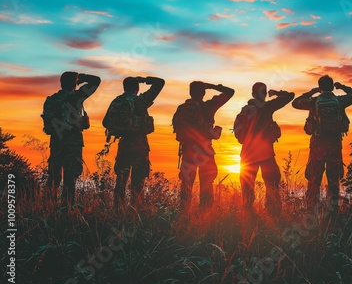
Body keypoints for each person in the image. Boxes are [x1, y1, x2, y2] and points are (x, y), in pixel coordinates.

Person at [292, 75, 352, 210]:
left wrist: (312, 92)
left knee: (314, 179)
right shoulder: (339, 101)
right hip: (334, 144)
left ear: (320, 87)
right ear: (332, 85)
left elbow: (295, 103)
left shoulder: (314, 101)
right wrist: (342, 87)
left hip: (317, 144)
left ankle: (311, 209)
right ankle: (333, 211)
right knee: (333, 180)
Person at [104, 76, 164, 208]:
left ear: (124, 87)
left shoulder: (116, 101)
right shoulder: (140, 100)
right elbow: (160, 83)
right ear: (137, 88)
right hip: (139, 146)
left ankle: (118, 210)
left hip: (124, 146)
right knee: (138, 184)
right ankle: (135, 212)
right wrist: (143, 79)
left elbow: (105, 122)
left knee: (120, 181)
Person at [173, 81, 234, 210]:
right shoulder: (208, 106)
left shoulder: (181, 108)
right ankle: (205, 213)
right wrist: (213, 86)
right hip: (204, 150)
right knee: (206, 181)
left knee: (186, 183)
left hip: (187, 150)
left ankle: (184, 211)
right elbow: (230, 92)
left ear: (190, 92)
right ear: (204, 92)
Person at [43, 71, 101, 206]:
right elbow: (96, 81)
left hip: (56, 141)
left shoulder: (51, 99)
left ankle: (47, 207)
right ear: (74, 83)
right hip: (73, 142)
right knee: (70, 177)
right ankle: (67, 208)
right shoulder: (76, 96)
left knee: (53, 177)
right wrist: (83, 77)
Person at [237, 83, 294, 217]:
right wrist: (276, 93)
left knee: (247, 187)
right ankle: (273, 214)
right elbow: (290, 96)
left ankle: (247, 214)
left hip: (247, 154)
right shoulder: (267, 107)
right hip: (265, 153)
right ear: (264, 93)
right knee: (272, 184)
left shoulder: (245, 110)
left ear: (253, 94)